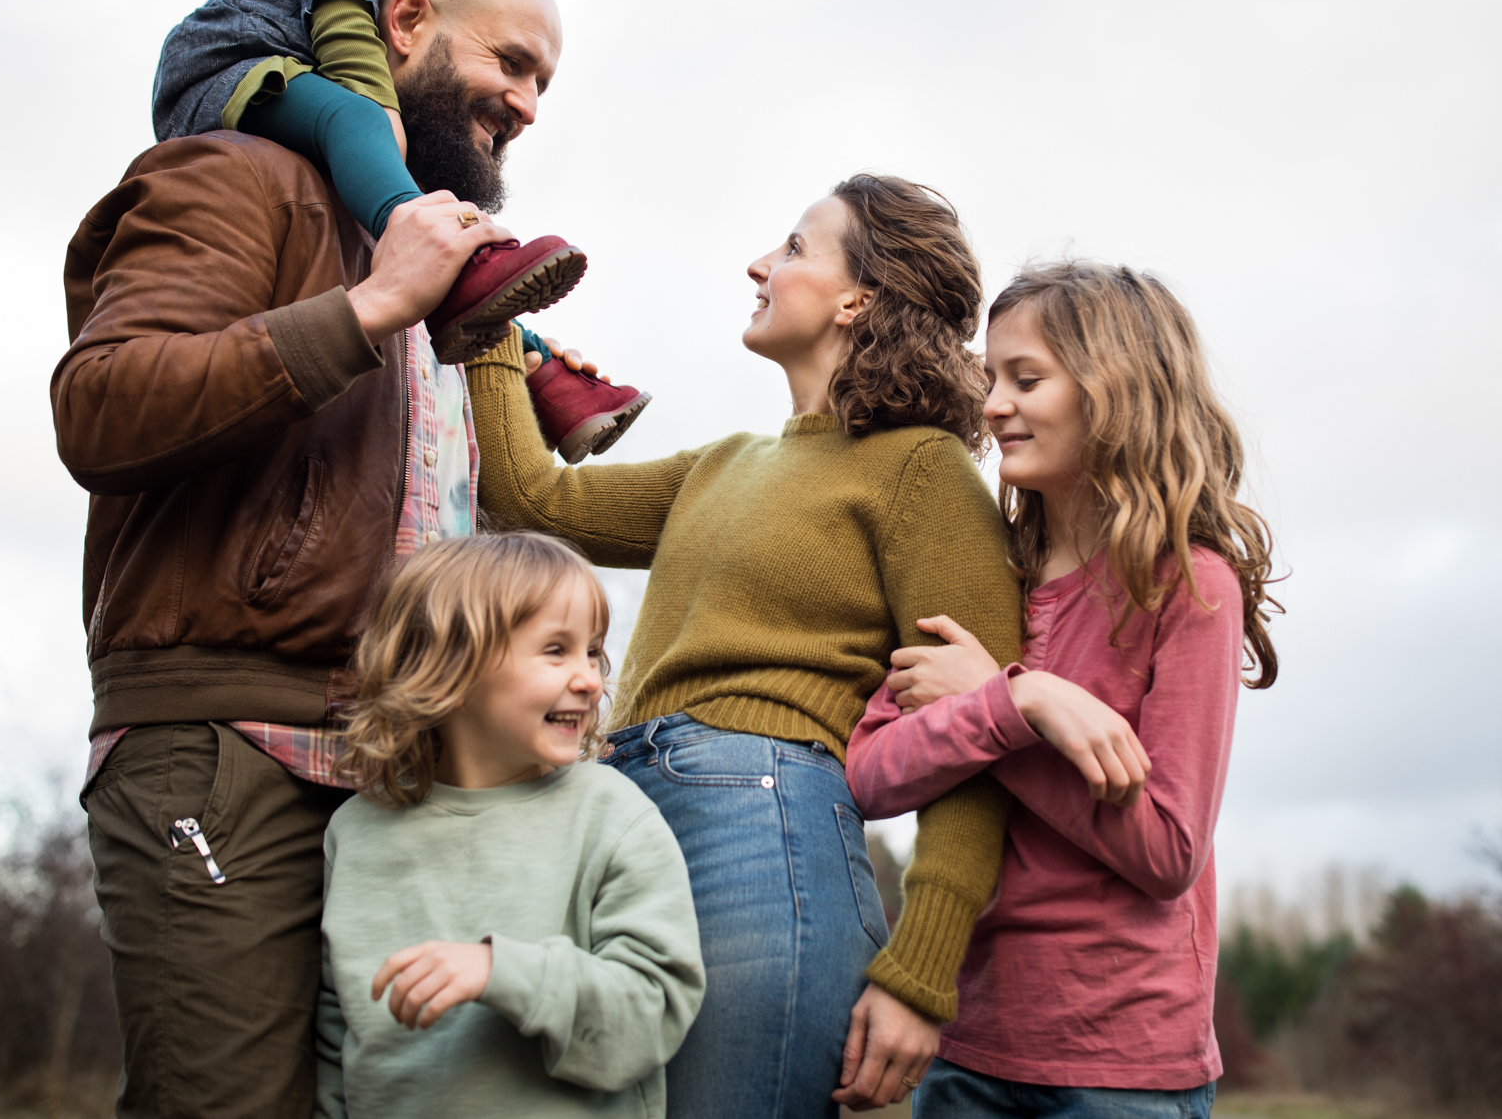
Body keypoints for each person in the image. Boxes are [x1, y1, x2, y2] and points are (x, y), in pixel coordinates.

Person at [53, 0, 568, 1119]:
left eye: (544, 83)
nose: (525, 103)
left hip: (398, 773)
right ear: (404, 22)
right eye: (509, 63)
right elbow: (101, 405)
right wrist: (369, 308)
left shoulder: (430, 264)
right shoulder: (238, 173)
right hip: (231, 749)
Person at [467, 174, 1021, 1116]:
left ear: (858, 299)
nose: (760, 265)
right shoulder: (723, 463)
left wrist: (922, 971)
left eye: (795, 247)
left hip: (764, 838)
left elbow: (976, 739)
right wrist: (491, 327)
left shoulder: (922, 469)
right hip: (617, 821)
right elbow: (529, 499)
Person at [843, 261, 1282, 1118]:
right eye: (991, 378)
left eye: (1026, 379)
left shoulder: (1189, 587)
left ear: (1115, 392)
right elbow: (870, 774)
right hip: (968, 1047)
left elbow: (1167, 850)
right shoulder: (986, 572)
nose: (992, 405)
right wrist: (1020, 703)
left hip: (1122, 1067)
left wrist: (999, 702)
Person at [154, 0, 647, 459]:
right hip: (221, 76)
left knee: (429, 227)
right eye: (509, 59)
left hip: (299, 102)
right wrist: (420, 213)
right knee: (372, 139)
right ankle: (457, 265)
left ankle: (538, 368)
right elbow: (358, 75)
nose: (528, 108)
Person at [316, 532, 704, 1119]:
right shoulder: (353, 832)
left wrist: (503, 972)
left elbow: (654, 1015)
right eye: (556, 650)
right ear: (450, 669)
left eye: (592, 652)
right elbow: (334, 1041)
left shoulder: (612, 813)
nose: (591, 679)